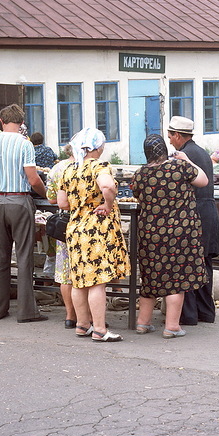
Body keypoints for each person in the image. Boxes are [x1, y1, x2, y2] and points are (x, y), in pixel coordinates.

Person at [132, 134, 209, 338]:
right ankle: (172, 326)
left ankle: (143, 323)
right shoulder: (180, 168)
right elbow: (203, 180)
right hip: (180, 232)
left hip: (150, 233)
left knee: (149, 278)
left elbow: (136, 194)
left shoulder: (140, 174)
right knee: (177, 277)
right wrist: (187, 160)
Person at [0, 104, 48, 323]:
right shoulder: (25, 144)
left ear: (0, 120)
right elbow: (33, 179)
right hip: (19, 199)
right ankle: (27, 311)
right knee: (24, 256)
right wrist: (45, 194)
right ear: (22, 122)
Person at [57, 128, 128, 342]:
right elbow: (107, 186)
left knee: (79, 281)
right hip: (96, 230)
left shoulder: (69, 169)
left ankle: (82, 325)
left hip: (75, 228)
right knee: (98, 282)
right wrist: (106, 204)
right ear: (97, 147)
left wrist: (80, 204)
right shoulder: (99, 166)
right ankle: (99, 329)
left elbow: (62, 203)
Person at [166, 116, 219, 326]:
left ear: (178, 136)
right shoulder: (201, 153)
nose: (170, 140)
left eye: (171, 136)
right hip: (208, 212)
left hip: (194, 214)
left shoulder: (184, 156)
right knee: (204, 264)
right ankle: (205, 312)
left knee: (187, 265)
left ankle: (188, 315)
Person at [46, 145, 77, 329]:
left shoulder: (58, 168)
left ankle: (69, 315)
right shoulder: (91, 166)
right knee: (85, 270)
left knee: (65, 271)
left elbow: (51, 198)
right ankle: (87, 316)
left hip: (64, 223)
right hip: (87, 221)